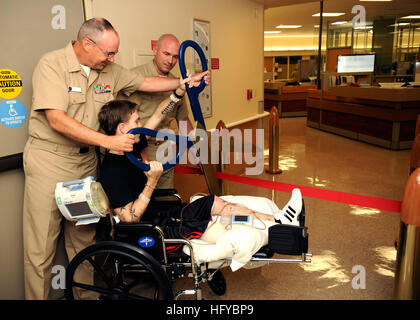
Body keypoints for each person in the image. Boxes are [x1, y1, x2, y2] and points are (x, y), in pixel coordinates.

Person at [22, 17, 209, 300]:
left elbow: (146, 81)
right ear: (87, 43)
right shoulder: (53, 65)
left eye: (114, 54)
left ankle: (86, 297)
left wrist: (184, 82)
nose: (112, 59)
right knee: (40, 252)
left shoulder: (109, 70)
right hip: (51, 162)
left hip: (85, 166)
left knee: (83, 244)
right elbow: (57, 120)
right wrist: (109, 142)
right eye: (108, 53)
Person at [98, 99, 303, 243]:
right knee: (216, 213)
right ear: (124, 128)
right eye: (137, 122)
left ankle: (277, 220)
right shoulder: (112, 169)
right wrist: (152, 181)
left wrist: (177, 92)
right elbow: (129, 219)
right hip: (153, 229)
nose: (141, 125)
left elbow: (157, 116)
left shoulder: (129, 146)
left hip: (160, 214)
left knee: (214, 203)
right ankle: (278, 222)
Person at [118, 34, 195, 189]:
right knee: (141, 202)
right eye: (166, 54)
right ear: (155, 49)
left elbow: (183, 122)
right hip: (140, 150)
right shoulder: (135, 77)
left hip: (166, 149)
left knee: (165, 202)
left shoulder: (178, 83)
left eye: (174, 57)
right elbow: (121, 122)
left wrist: (197, 152)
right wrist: (141, 154)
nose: (170, 61)